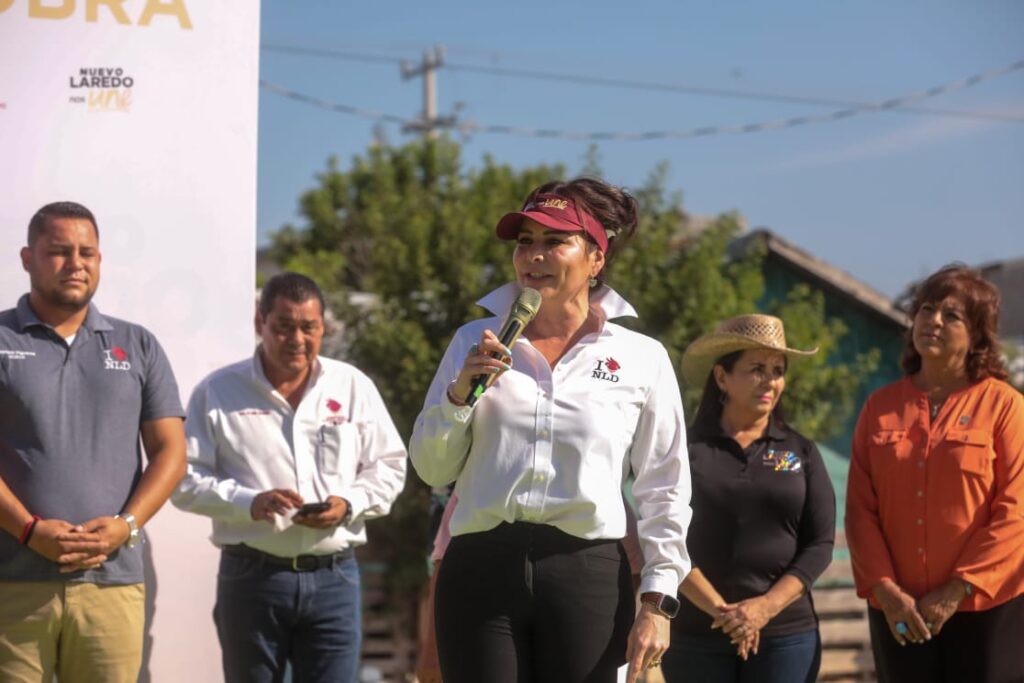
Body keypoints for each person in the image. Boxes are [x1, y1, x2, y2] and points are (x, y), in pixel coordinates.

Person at [409, 177, 692, 683]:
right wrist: (459, 395)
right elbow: (432, 468)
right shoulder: (473, 341)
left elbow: (665, 490)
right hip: (480, 569)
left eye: (553, 241)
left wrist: (658, 599)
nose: (533, 256)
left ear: (595, 259)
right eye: (525, 242)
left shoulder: (641, 357)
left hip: (588, 573)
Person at [172, 272, 408, 683]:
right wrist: (250, 502)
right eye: (283, 327)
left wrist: (348, 503)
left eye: (308, 327)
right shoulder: (217, 391)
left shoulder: (352, 385)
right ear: (259, 323)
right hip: (251, 577)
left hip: (335, 576)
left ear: (323, 327)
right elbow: (183, 480)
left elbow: (389, 465)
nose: (297, 339)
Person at [0, 201, 187, 682]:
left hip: (113, 581)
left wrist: (125, 526)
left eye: (87, 252)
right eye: (59, 251)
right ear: (27, 257)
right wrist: (27, 530)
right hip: (12, 582)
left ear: (100, 260)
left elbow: (170, 451)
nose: (75, 263)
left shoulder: (138, 344)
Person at [845, 264, 1024, 683]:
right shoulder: (879, 407)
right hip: (900, 611)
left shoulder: (1005, 407)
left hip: (988, 610)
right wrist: (886, 591)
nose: (933, 321)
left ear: (978, 334)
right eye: (926, 310)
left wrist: (958, 589)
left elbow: (1017, 510)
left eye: (952, 315)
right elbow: (860, 509)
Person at [659, 314, 835, 683]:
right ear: (722, 377)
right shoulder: (685, 450)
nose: (770, 380)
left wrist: (763, 610)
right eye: (756, 368)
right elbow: (664, 534)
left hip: (786, 637)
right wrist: (724, 613)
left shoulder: (801, 451)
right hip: (696, 634)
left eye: (777, 369)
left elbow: (819, 543)